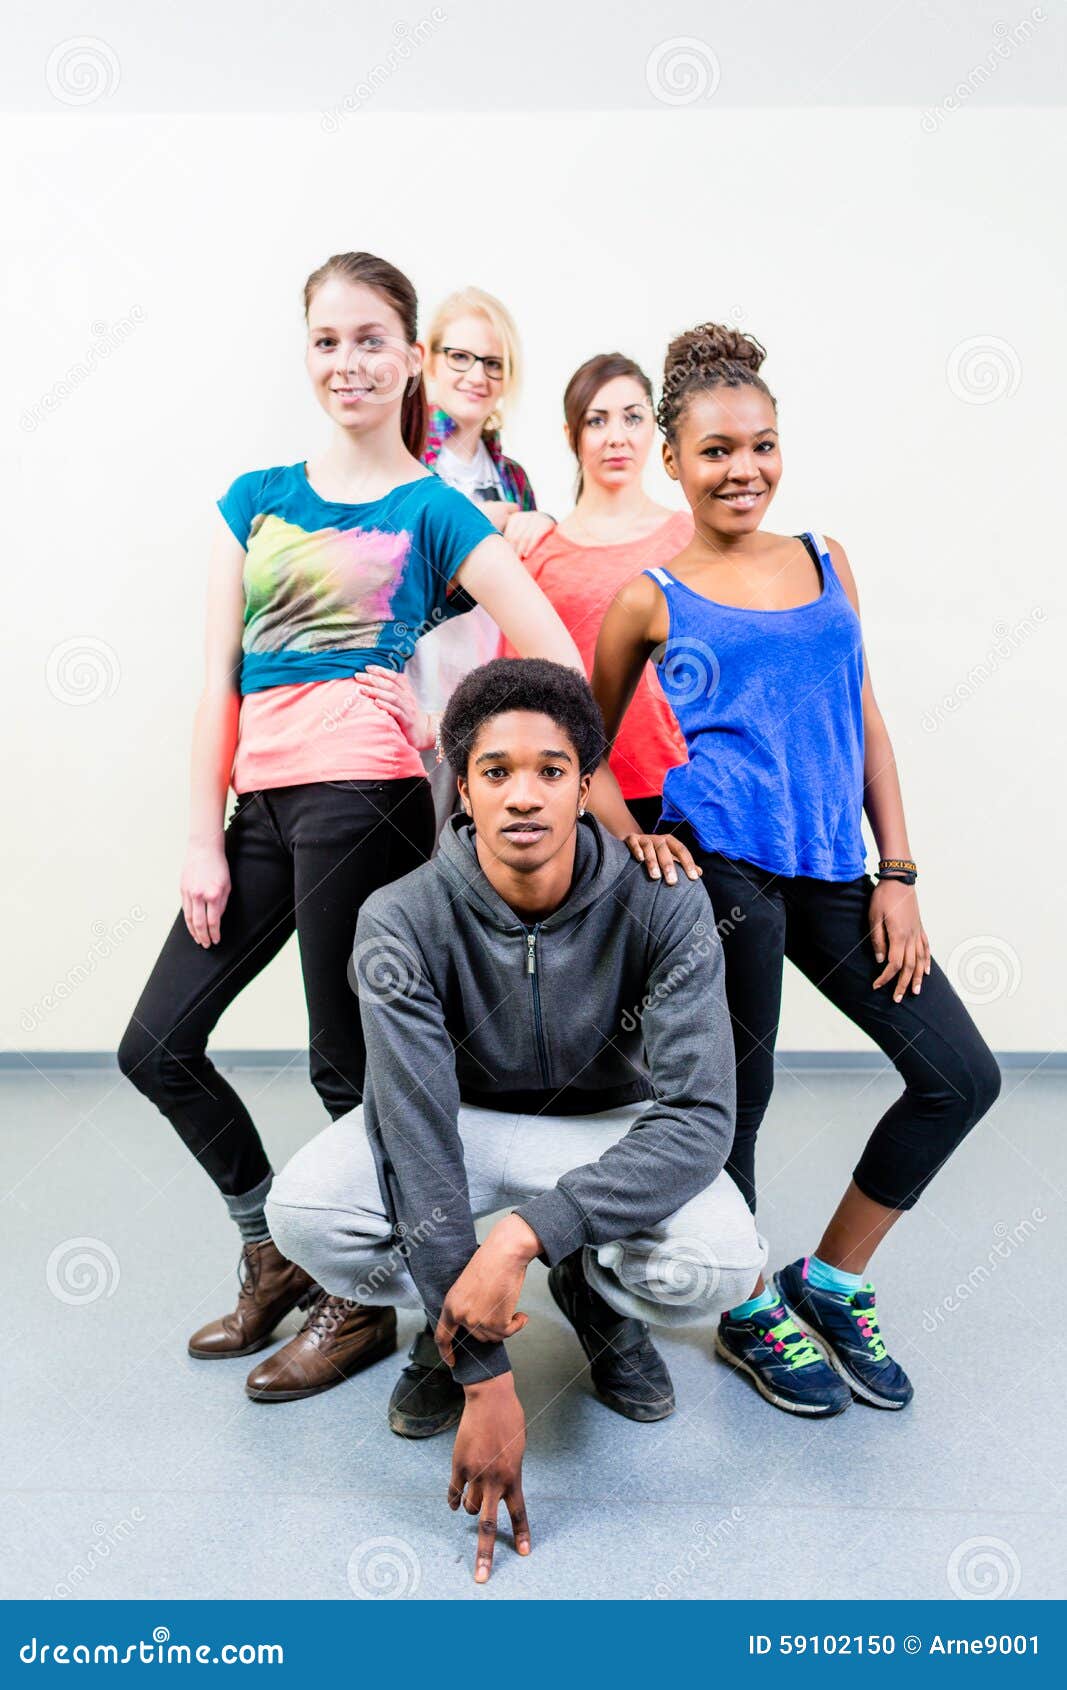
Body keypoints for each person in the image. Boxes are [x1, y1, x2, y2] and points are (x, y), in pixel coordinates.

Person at [115, 251, 610, 1403]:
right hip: (260, 805)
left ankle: (365, 1298)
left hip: (367, 799)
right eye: (328, 339)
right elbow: (215, 687)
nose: (349, 361)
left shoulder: (431, 507)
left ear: (412, 362)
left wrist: (449, 733)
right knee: (156, 1044)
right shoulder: (254, 498)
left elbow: (553, 655)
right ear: (308, 353)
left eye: (372, 339)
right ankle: (273, 1246)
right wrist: (202, 835)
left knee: (352, 1070)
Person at [265, 658, 764, 1583]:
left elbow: (698, 1120)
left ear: (586, 783)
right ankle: (444, 1323)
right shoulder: (401, 917)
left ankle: (595, 1297)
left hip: (608, 1125)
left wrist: (529, 1237)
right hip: (468, 1122)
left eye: (550, 770)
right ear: (463, 787)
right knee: (306, 1212)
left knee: (724, 1266)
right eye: (496, 772)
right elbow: (412, 1130)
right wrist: (481, 1375)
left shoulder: (662, 900)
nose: (523, 795)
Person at [589, 322, 1002, 1417]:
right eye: (717, 450)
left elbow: (862, 713)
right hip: (721, 874)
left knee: (959, 1075)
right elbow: (582, 747)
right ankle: (741, 1306)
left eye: (762, 445)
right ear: (672, 461)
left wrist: (896, 871)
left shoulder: (824, 560)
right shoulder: (650, 595)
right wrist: (634, 832)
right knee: (744, 1096)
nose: (744, 470)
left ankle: (825, 1278)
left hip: (833, 872)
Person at [501, 353, 691, 833]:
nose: (616, 437)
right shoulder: (538, 551)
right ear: (572, 435)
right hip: (571, 790)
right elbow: (516, 686)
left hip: (680, 785)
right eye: (596, 420)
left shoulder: (690, 537)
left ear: (655, 429)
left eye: (633, 417)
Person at [406, 286, 556, 835]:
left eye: (493, 363)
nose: (477, 375)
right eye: (461, 357)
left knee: (469, 871)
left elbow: (533, 595)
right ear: (429, 359)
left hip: (484, 707)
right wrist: (477, 524)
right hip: (411, 703)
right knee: (398, 870)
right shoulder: (402, 457)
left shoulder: (512, 476)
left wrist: (544, 527)